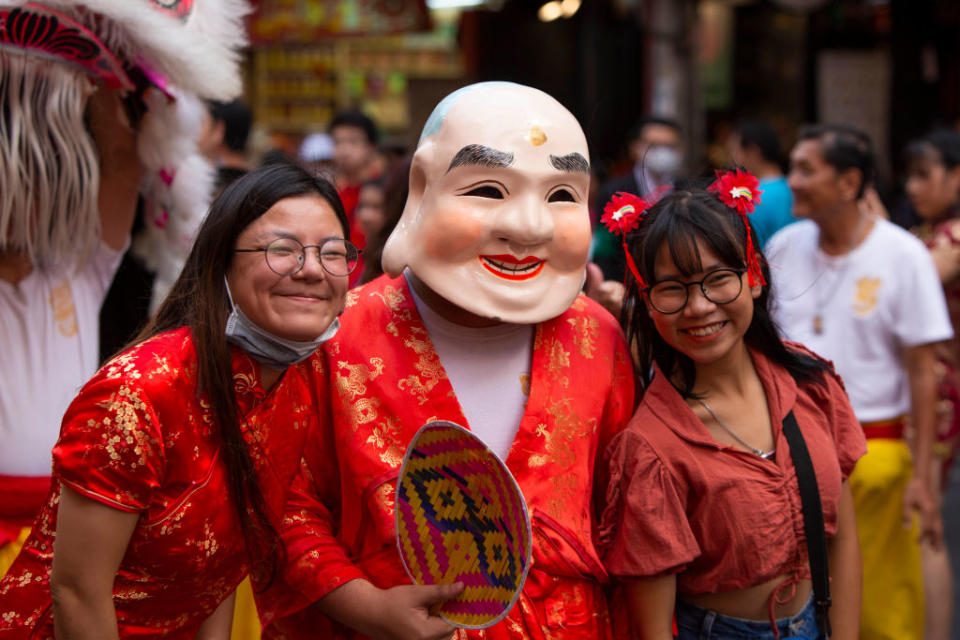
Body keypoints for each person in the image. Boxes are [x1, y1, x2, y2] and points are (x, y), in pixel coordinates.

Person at [256, 81, 635, 640]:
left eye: (561, 196)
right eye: (488, 189)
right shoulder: (336, 338)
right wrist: (367, 608)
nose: (529, 226)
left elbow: (623, 509)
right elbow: (285, 504)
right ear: (420, 186)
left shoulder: (597, 337)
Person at [0, 162, 357, 638]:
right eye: (281, 250)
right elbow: (78, 592)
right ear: (220, 264)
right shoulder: (136, 395)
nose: (312, 270)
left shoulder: (293, 389)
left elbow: (218, 573)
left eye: (332, 253)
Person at [598, 172, 866, 639]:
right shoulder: (652, 448)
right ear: (648, 302)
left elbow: (841, 539)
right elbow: (654, 629)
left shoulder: (811, 385)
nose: (699, 307)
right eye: (673, 288)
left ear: (755, 277)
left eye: (718, 279)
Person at [767, 124, 954, 640]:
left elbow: (922, 370)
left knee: (882, 605)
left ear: (849, 182)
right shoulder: (784, 245)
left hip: (879, 456)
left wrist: (923, 479)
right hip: (791, 457)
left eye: (806, 169)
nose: (792, 181)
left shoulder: (902, 254)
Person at [905, 129, 960, 640]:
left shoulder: (952, 236)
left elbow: (912, 278)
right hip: (929, 387)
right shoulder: (929, 230)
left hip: (938, 391)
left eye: (925, 175)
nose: (914, 186)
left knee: (925, 523)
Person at [593, 116, 684, 282]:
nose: (663, 153)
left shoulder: (687, 191)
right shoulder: (613, 192)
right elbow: (604, 249)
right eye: (655, 145)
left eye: (669, 146)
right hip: (626, 289)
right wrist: (608, 286)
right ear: (635, 148)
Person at [727, 119, 795, 247]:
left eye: (735, 150)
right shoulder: (796, 189)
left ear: (753, 151)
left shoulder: (750, 199)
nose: (734, 159)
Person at [197, 99, 254, 195]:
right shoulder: (259, 182)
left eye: (202, 122)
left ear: (219, 130)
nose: (196, 132)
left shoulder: (210, 187)